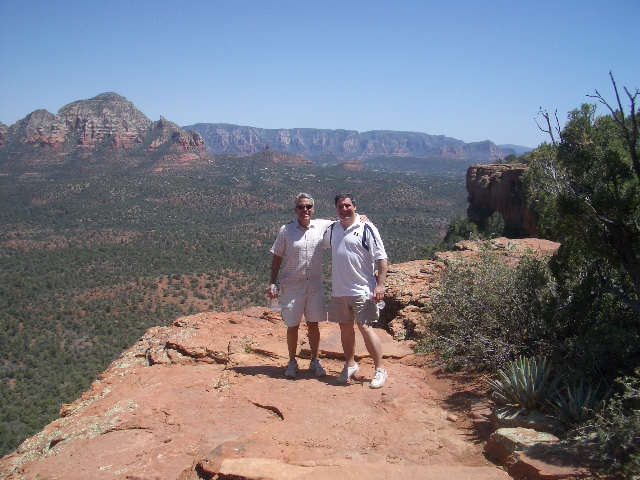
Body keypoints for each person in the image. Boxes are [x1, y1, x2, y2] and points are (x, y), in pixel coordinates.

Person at [323, 193, 389, 389]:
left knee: (365, 327)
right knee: (345, 327)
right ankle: (350, 365)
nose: (345, 209)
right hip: (339, 290)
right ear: (336, 209)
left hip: (362, 289)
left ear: (354, 206)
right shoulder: (332, 229)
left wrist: (380, 285)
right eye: (340, 206)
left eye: (348, 205)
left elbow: (382, 258)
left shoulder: (367, 228)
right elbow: (313, 230)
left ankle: (380, 369)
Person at [269, 193, 333, 379]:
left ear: (313, 209)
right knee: (292, 325)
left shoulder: (322, 226)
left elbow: (344, 222)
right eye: (301, 207)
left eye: (308, 206)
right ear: (295, 210)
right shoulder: (286, 231)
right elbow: (277, 257)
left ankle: (315, 360)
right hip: (292, 286)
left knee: (314, 324)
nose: (305, 210)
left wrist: (360, 217)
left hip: (314, 286)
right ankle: (291, 361)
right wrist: (272, 282)